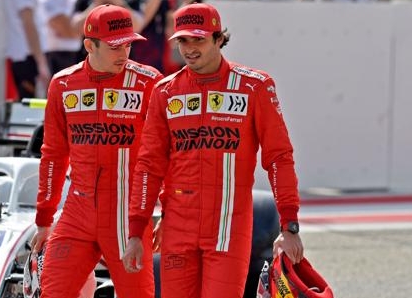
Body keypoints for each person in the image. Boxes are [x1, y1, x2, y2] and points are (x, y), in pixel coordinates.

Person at [122, 2, 304, 298]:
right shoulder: (165, 92)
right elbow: (149, 166)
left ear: (219, 39)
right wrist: (136, 229)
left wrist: (289, 225)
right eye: (183, 40)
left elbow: (279, 158)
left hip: (229, 231)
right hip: (178, 230)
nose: (190, 48)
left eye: (199, 39)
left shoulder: (254, 87)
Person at [29, 4, 163, 298]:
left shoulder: (150, 83)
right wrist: (44, 219)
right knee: (52, 292)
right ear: (89, 45)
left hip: (127, 218)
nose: (124, 53)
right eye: (115, 46)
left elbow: (167, 153)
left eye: (128, 44)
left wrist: (166, 211)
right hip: (77, 213)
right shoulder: (63, 84)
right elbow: (52, 155)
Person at [3, 0, 51, 100]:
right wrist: (41, 63)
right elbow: (29, 24)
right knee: (30, 107)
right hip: (28, 58)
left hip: (26, 57)